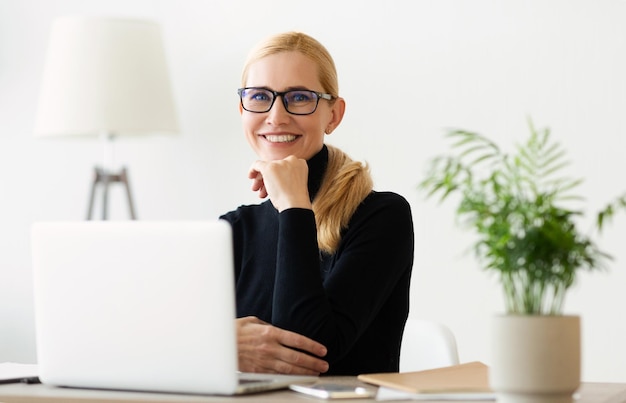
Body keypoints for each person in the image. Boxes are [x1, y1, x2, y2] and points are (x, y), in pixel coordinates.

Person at [220, 31, 414, 376]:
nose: (276, 116)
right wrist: (220, 345)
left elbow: (307, 351)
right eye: (260, 96)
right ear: (242, 109)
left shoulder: (382, 216)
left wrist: (294, 206)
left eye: (298, 97)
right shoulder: (233, 229)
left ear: (333, 115)